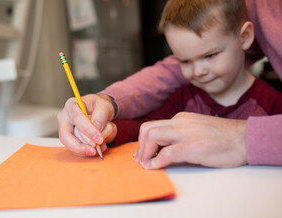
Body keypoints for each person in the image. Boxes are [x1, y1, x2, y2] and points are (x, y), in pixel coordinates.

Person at [57, 0, 282, 168]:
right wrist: (110, 131)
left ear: (245, 37)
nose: (198, 71)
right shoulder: (185, 98)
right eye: (184, 60)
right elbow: (146, 127)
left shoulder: (273, 104)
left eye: (210, 55)